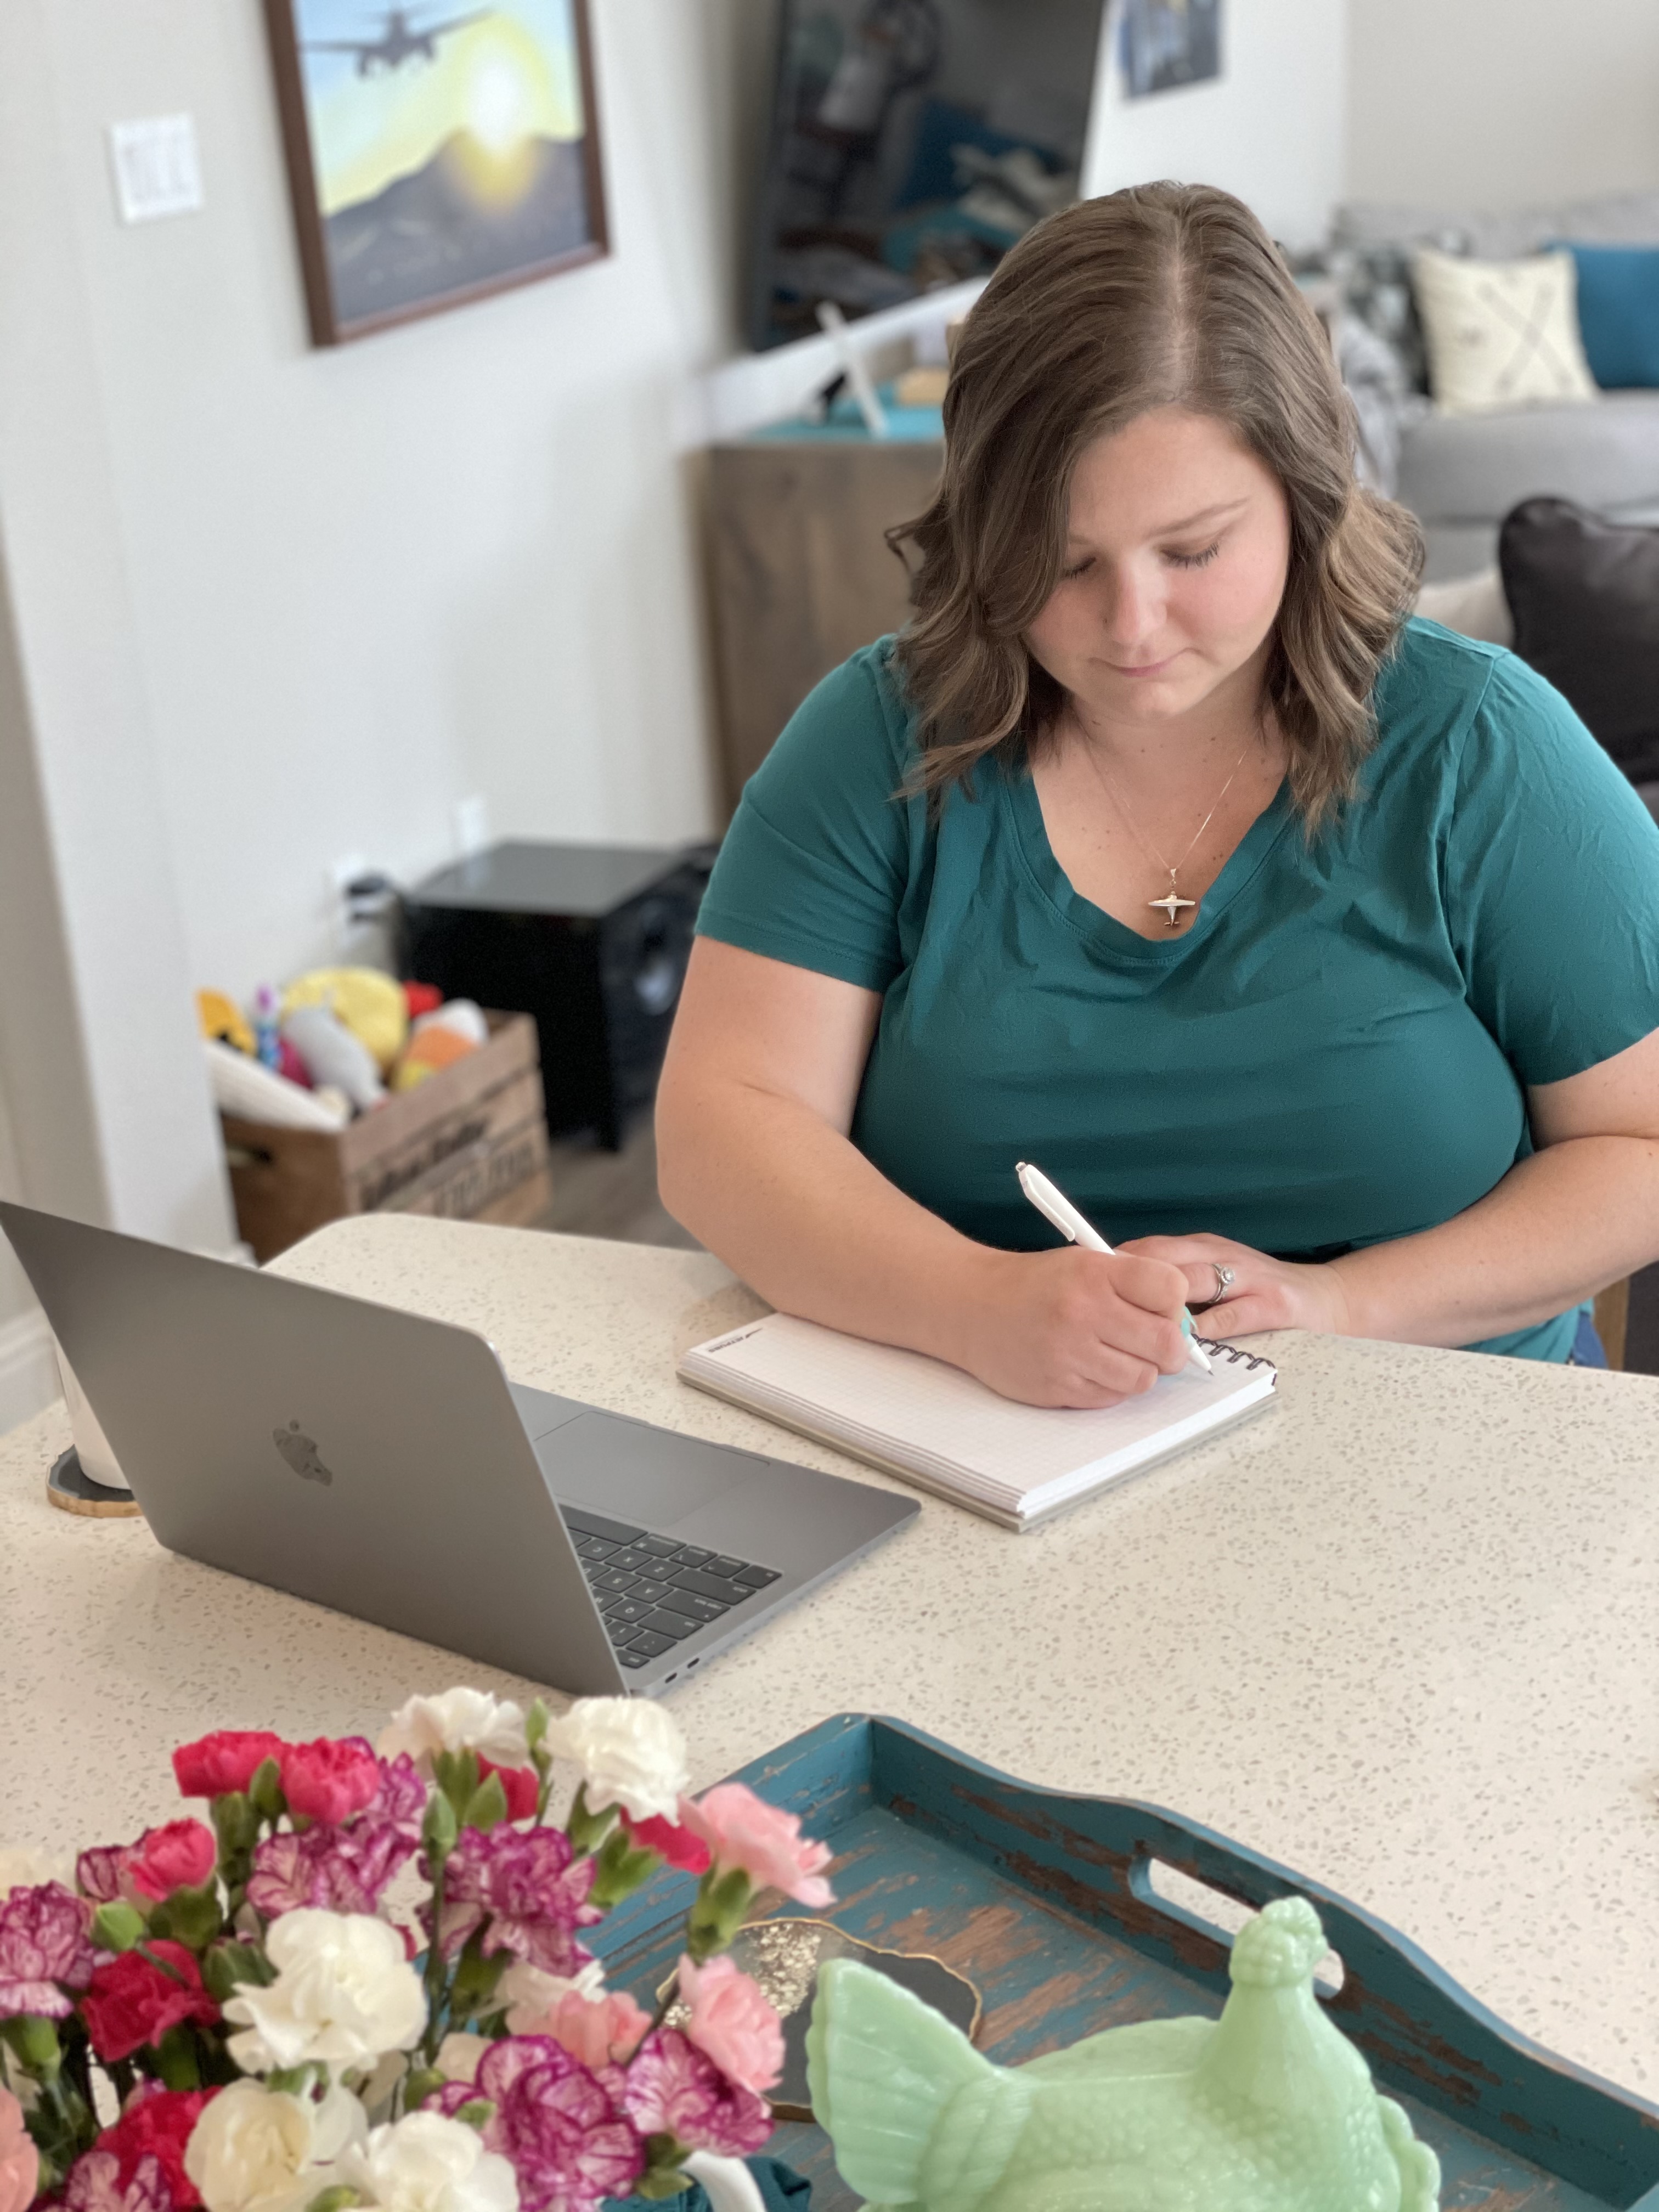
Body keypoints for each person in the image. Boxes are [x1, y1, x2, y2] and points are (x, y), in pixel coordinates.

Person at [656, 183, 1659, 1408]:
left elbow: (1643, 1141)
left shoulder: (1478, 744)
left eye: (1193, 551)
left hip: (1443, 1424)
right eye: (1063, 560)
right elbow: (724, 1128)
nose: (1131, 625)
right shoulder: (880, 739)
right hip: (995, 1429)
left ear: (1306, 497)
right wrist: (972, 1304)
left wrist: (1343, 1305)